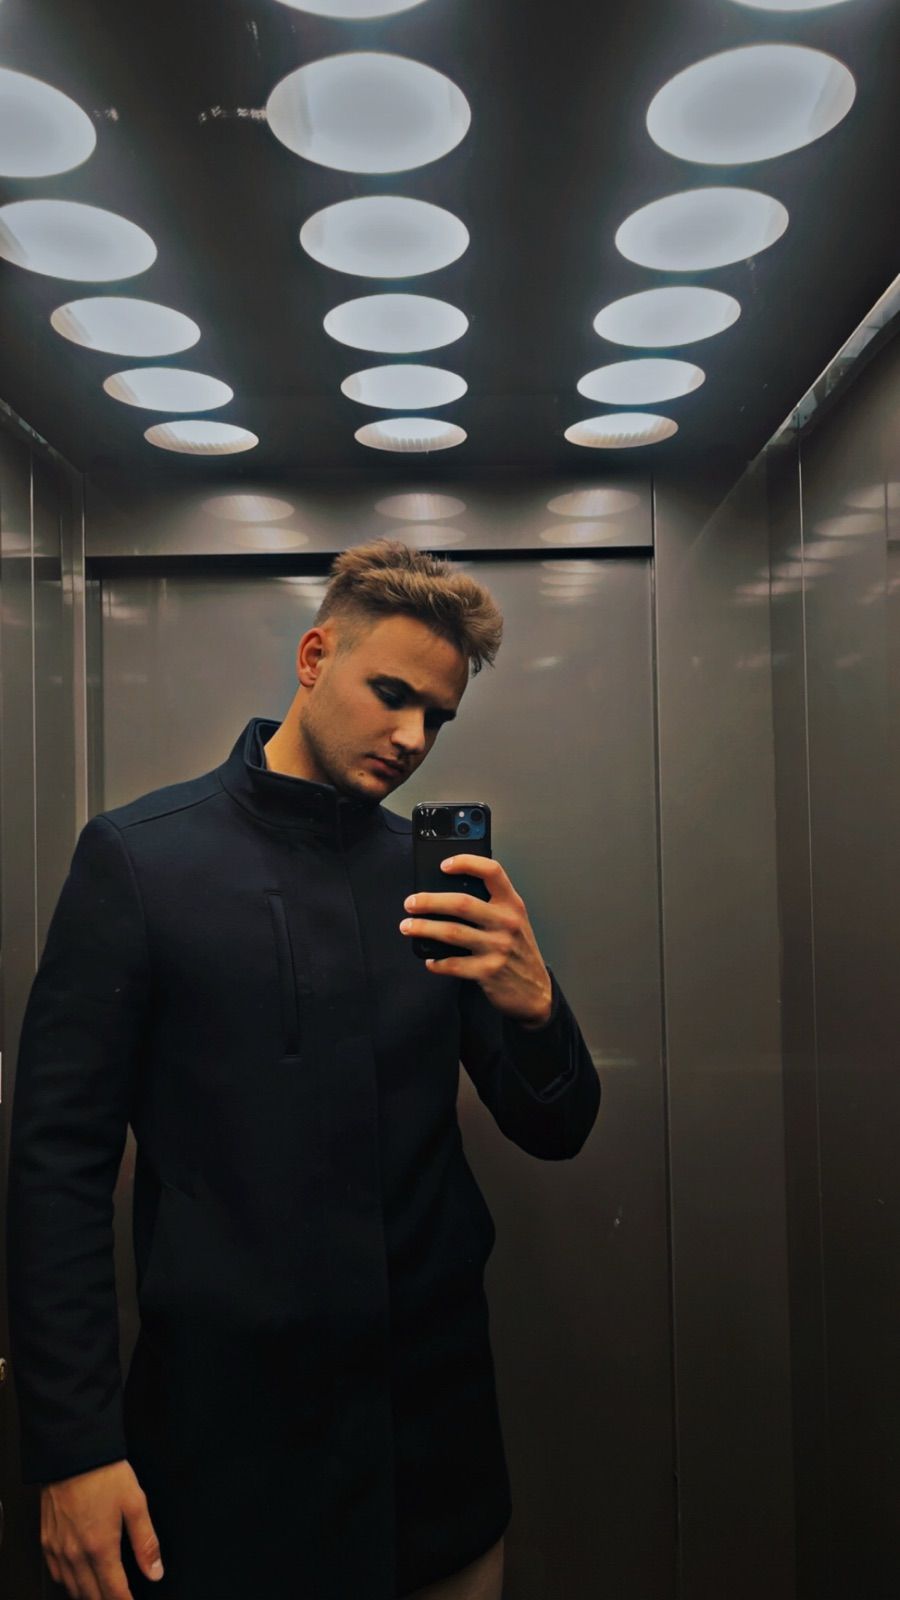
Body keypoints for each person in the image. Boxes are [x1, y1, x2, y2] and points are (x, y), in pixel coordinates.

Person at [6, 538, 602, 1600]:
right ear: (315, 655)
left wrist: (537, 1005)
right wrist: (73, 1446)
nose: (413, 737)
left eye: (439, 717)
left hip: (436, 1457)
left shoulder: (432, 883)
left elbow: (556, 1127)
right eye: (393, 694)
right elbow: (57, 1171)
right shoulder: (142, 861)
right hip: (225, 1461)